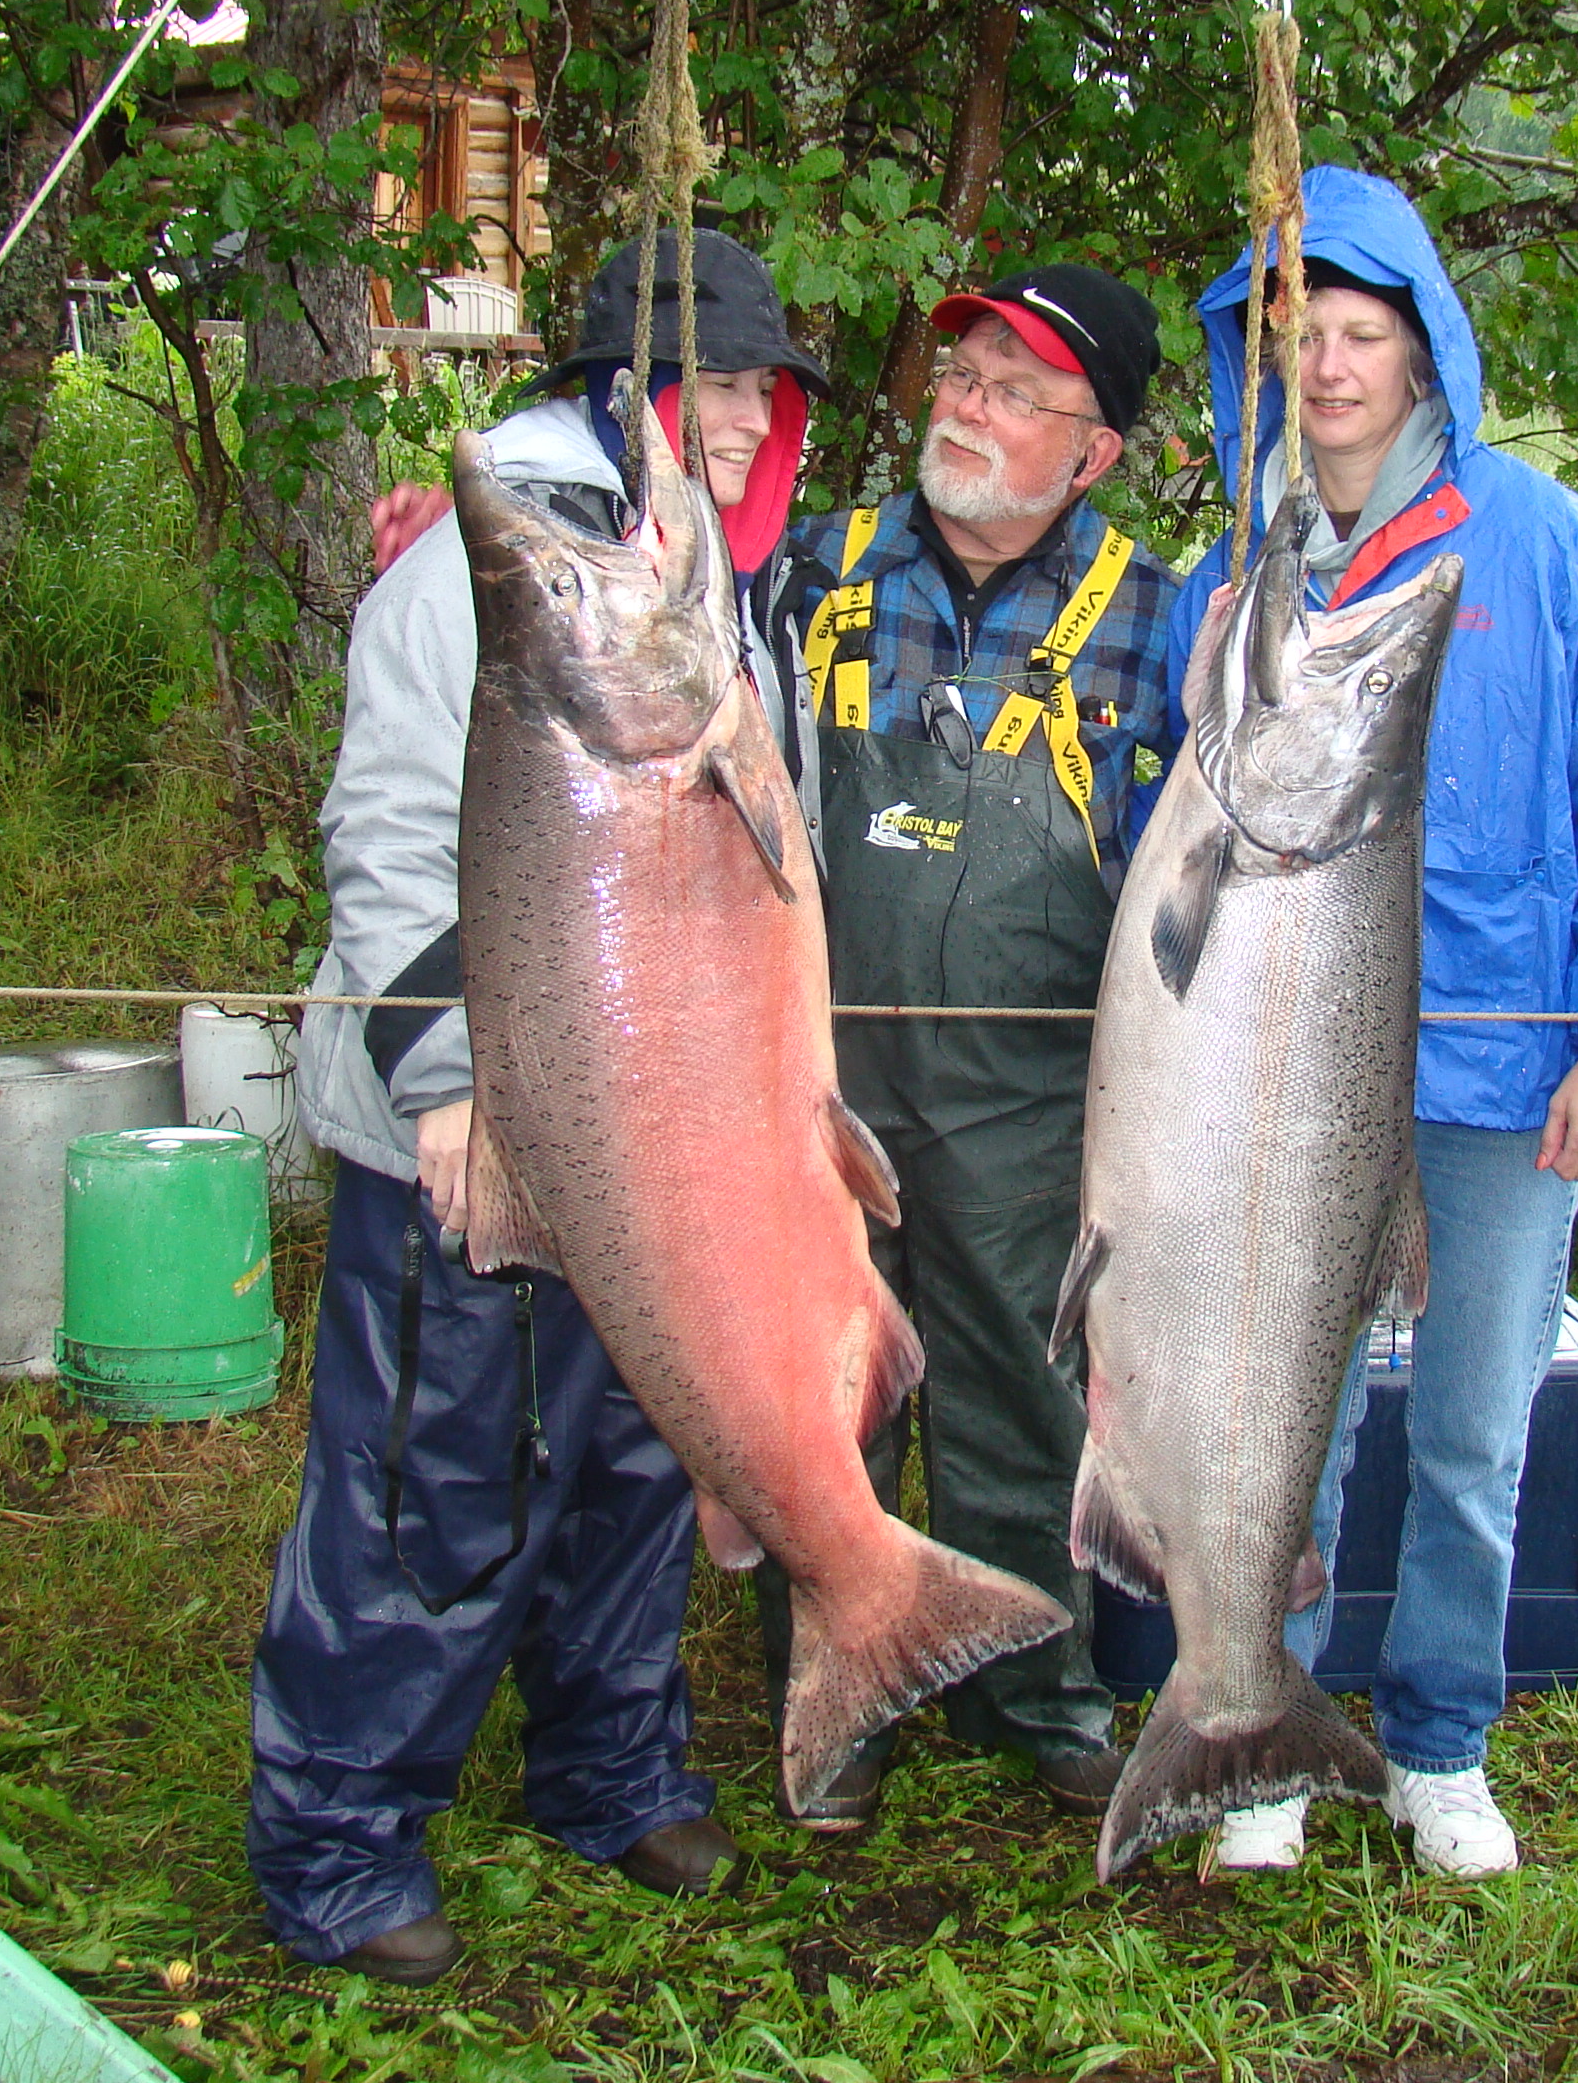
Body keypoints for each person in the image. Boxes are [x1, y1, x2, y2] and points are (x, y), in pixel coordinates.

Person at [251, 229, 827, 1980]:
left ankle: (606, 1763)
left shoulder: (709, 580)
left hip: (656, 1128)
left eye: (761, 387)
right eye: (710, 381)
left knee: (638, 1454)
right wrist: (447, 1081)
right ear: (622, 388)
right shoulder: (482, 577)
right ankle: (341, 1838)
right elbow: (389, 842)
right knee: (440, 1474)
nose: (739, 417)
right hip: (480, 1127)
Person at [1171, 168, 1578, 1880]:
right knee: (1284, 1424)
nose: (1327, 365)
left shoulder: (1540, 539)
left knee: (1475, 1428)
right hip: (1285, 1080)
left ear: (1422, 351)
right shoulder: (1233, 565)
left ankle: (1444, 1738)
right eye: (1298, 333)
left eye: (1361, 332)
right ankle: (1261, 1728)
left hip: (1503, 1082)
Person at [759, 264, 1183, 1830]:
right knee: (820, 1380)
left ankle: (1030, 1681)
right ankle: (841, 1673)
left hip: (1030, 1087)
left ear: (1094, 450)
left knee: (1021, 1373)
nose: (971, 408)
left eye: (1018, 392)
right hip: (822, 1076)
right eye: (963, 378)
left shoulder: (1162, 609)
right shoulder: (816, 570)